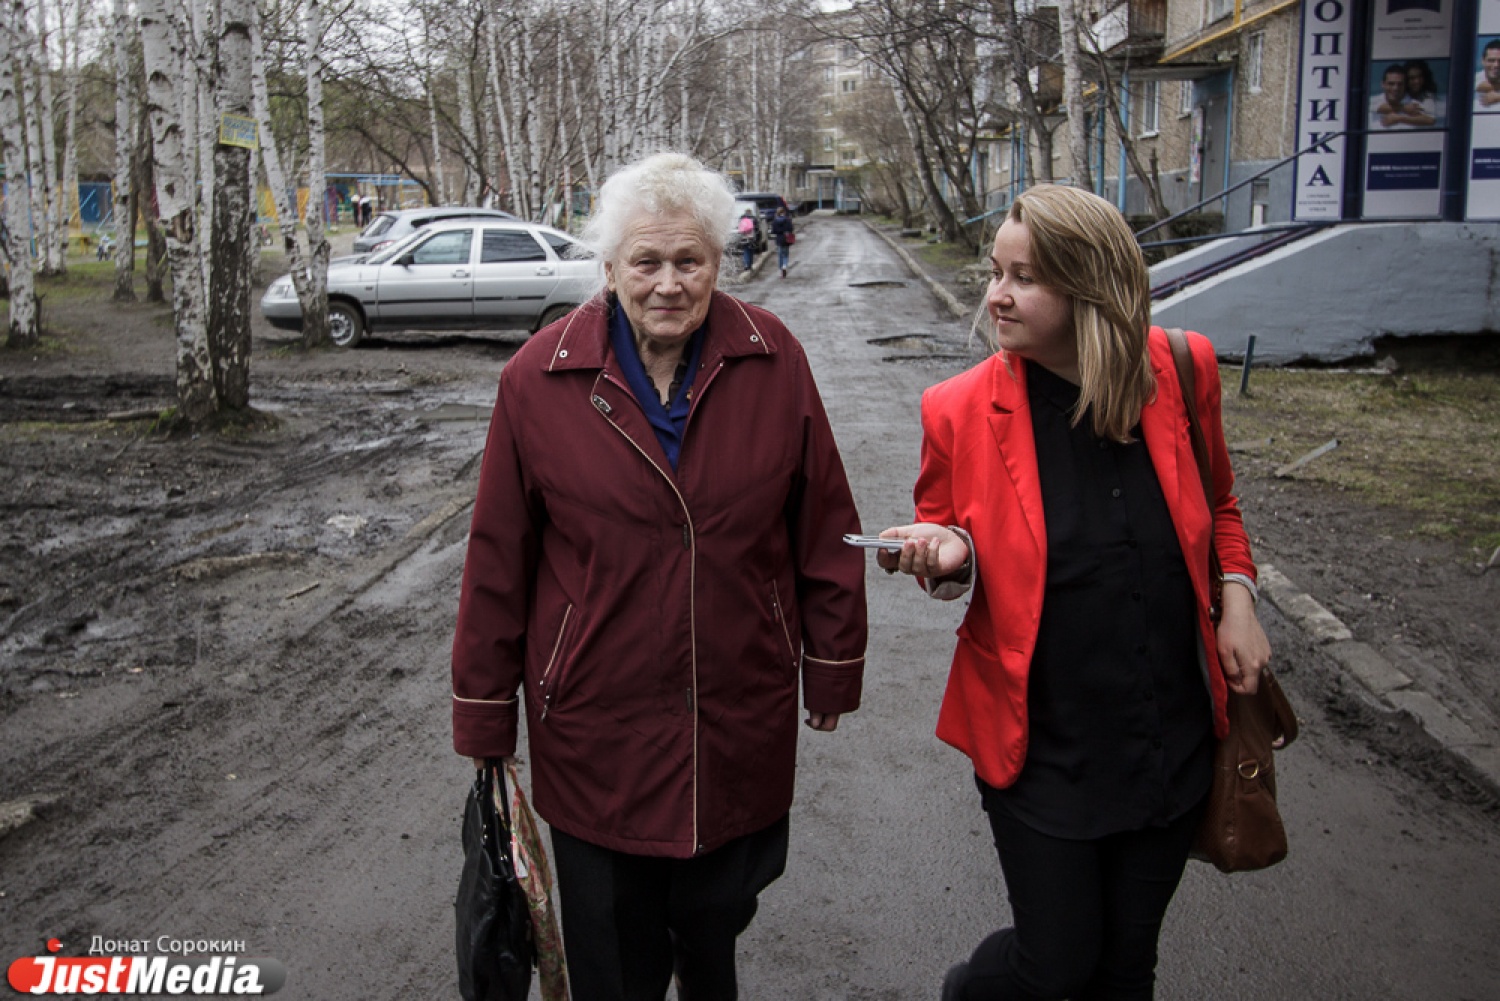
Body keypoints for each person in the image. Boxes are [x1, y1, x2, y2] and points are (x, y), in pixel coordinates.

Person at [451, 151, 868, 1001]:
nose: (669, 284)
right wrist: (485, 713)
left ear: (720, 261)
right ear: (609, 268)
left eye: (690, 260)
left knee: (715, 929)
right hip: (595, 721)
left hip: (736, 710)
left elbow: (823, 521)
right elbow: (498, 557)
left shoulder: (773, 356)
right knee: (613, 957)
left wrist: (831, 661)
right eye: (646, 261)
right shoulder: (538, 377)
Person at [873, 184, 1271, 1001]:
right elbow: (946, 531)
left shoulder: (1182, 368)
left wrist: (1238, 598)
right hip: (1043, 748)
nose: (996, 294)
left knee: (1126, 967)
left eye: (1024, 278)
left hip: (1168, 741)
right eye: (996, 271)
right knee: (1053, 964)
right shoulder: (957, 408)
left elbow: (1221, 505)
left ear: (1093, 288)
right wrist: (949, 555)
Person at [1370, 63, 1428, 129]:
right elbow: (1377, 107)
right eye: (1391, 84)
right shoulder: (1370, 101)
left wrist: (1400, 119)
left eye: (1400, 84)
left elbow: (1429, 120)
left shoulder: (1416, 104)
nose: (1395, 88)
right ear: (1383, 84)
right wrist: (1403, 108)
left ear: (1405, 85)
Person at [1404, 58, 1444, 127]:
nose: (1417, 81)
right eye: (1412, 78)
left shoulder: (1428, 96)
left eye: (1420, 77)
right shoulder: (1400, 95)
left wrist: (1399, 118)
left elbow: (1430, 120)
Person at [770, 205, 795, 278]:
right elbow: (791, 228)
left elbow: (773, 231)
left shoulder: (775, 221)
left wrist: (778, 231)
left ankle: (781, 269)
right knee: (786, 254)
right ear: (784, 212)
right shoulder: (788, 220)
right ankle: (784, 266)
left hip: (779, 239)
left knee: (780, 255)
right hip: (786, 239)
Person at [1476, 39, 1500, 110]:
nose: (1496, 65)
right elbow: (1481, 86)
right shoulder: (1475, 78)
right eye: (1491, 60)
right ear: (1483, 61)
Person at [737, 207, 758, 272]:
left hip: (744, 237)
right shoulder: (754, 218)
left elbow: (739, 227)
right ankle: (750, 265)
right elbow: (757, 228)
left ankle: (746, 264)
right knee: (751, 251)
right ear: (750, 212)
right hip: (751, 237)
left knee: (745, 250)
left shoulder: (742, 218)